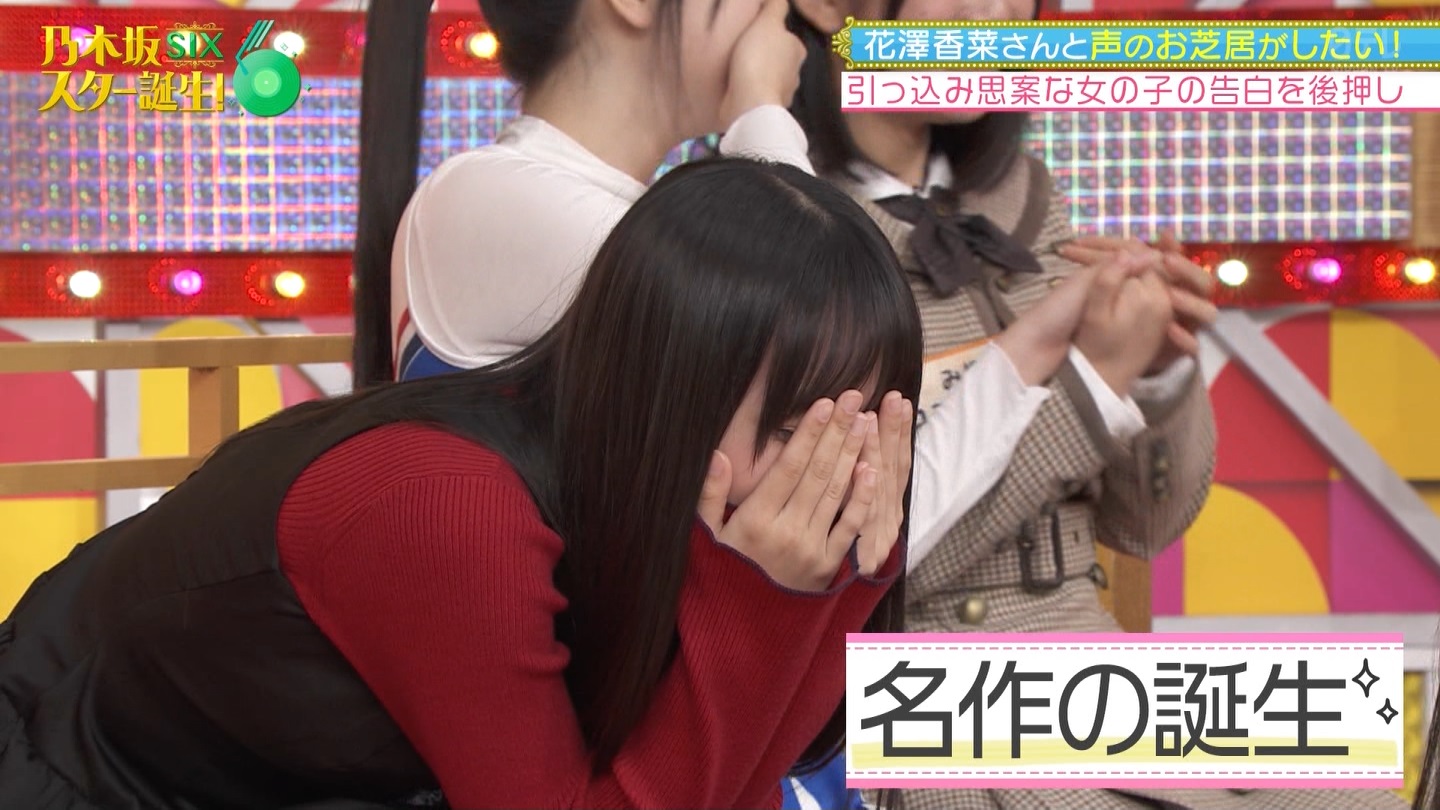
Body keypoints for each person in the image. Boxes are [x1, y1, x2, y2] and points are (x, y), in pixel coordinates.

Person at [0, 159, 921, 810]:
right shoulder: (448, 504)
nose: (845, 473)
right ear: (673, 390)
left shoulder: (654, 501)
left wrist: (840, 583)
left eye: (867, 430)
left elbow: (748, 777)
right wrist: (768, 602)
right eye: (806, 435)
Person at [782, 1, 1415, 808]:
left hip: (1088, 668)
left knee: (1356, 773)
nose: (996, 16)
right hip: (915, 694)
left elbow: (1144, 526)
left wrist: (1157, 373)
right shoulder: (793, 228)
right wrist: (1092, 381)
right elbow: (853, 572)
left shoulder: (1027, 201)